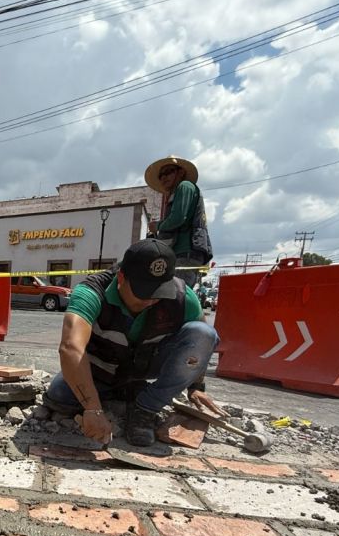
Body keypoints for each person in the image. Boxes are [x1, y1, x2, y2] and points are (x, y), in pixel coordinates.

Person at [46, 238, 222, 448]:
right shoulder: (92, 292)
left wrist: (196, 386)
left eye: (158, 292)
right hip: (102, 368)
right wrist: (93, 409)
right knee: (59, 396)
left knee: (203, 332)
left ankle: (145, 408)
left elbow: (201, 342)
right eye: (143, 292)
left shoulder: (182, 296)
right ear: (121, 277)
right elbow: (70, 348)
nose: (151, 300)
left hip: (146, 365)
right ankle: (120, 391)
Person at [144, 155, 212, 288]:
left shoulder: (184, 186)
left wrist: (158, 225)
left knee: (176, 296)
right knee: (176, 296)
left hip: (186, 252)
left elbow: (178, 218)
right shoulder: (179, 191)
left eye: (168, 172)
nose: (164, 177)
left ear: (180, 172)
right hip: (181, 253)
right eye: (161, 175)